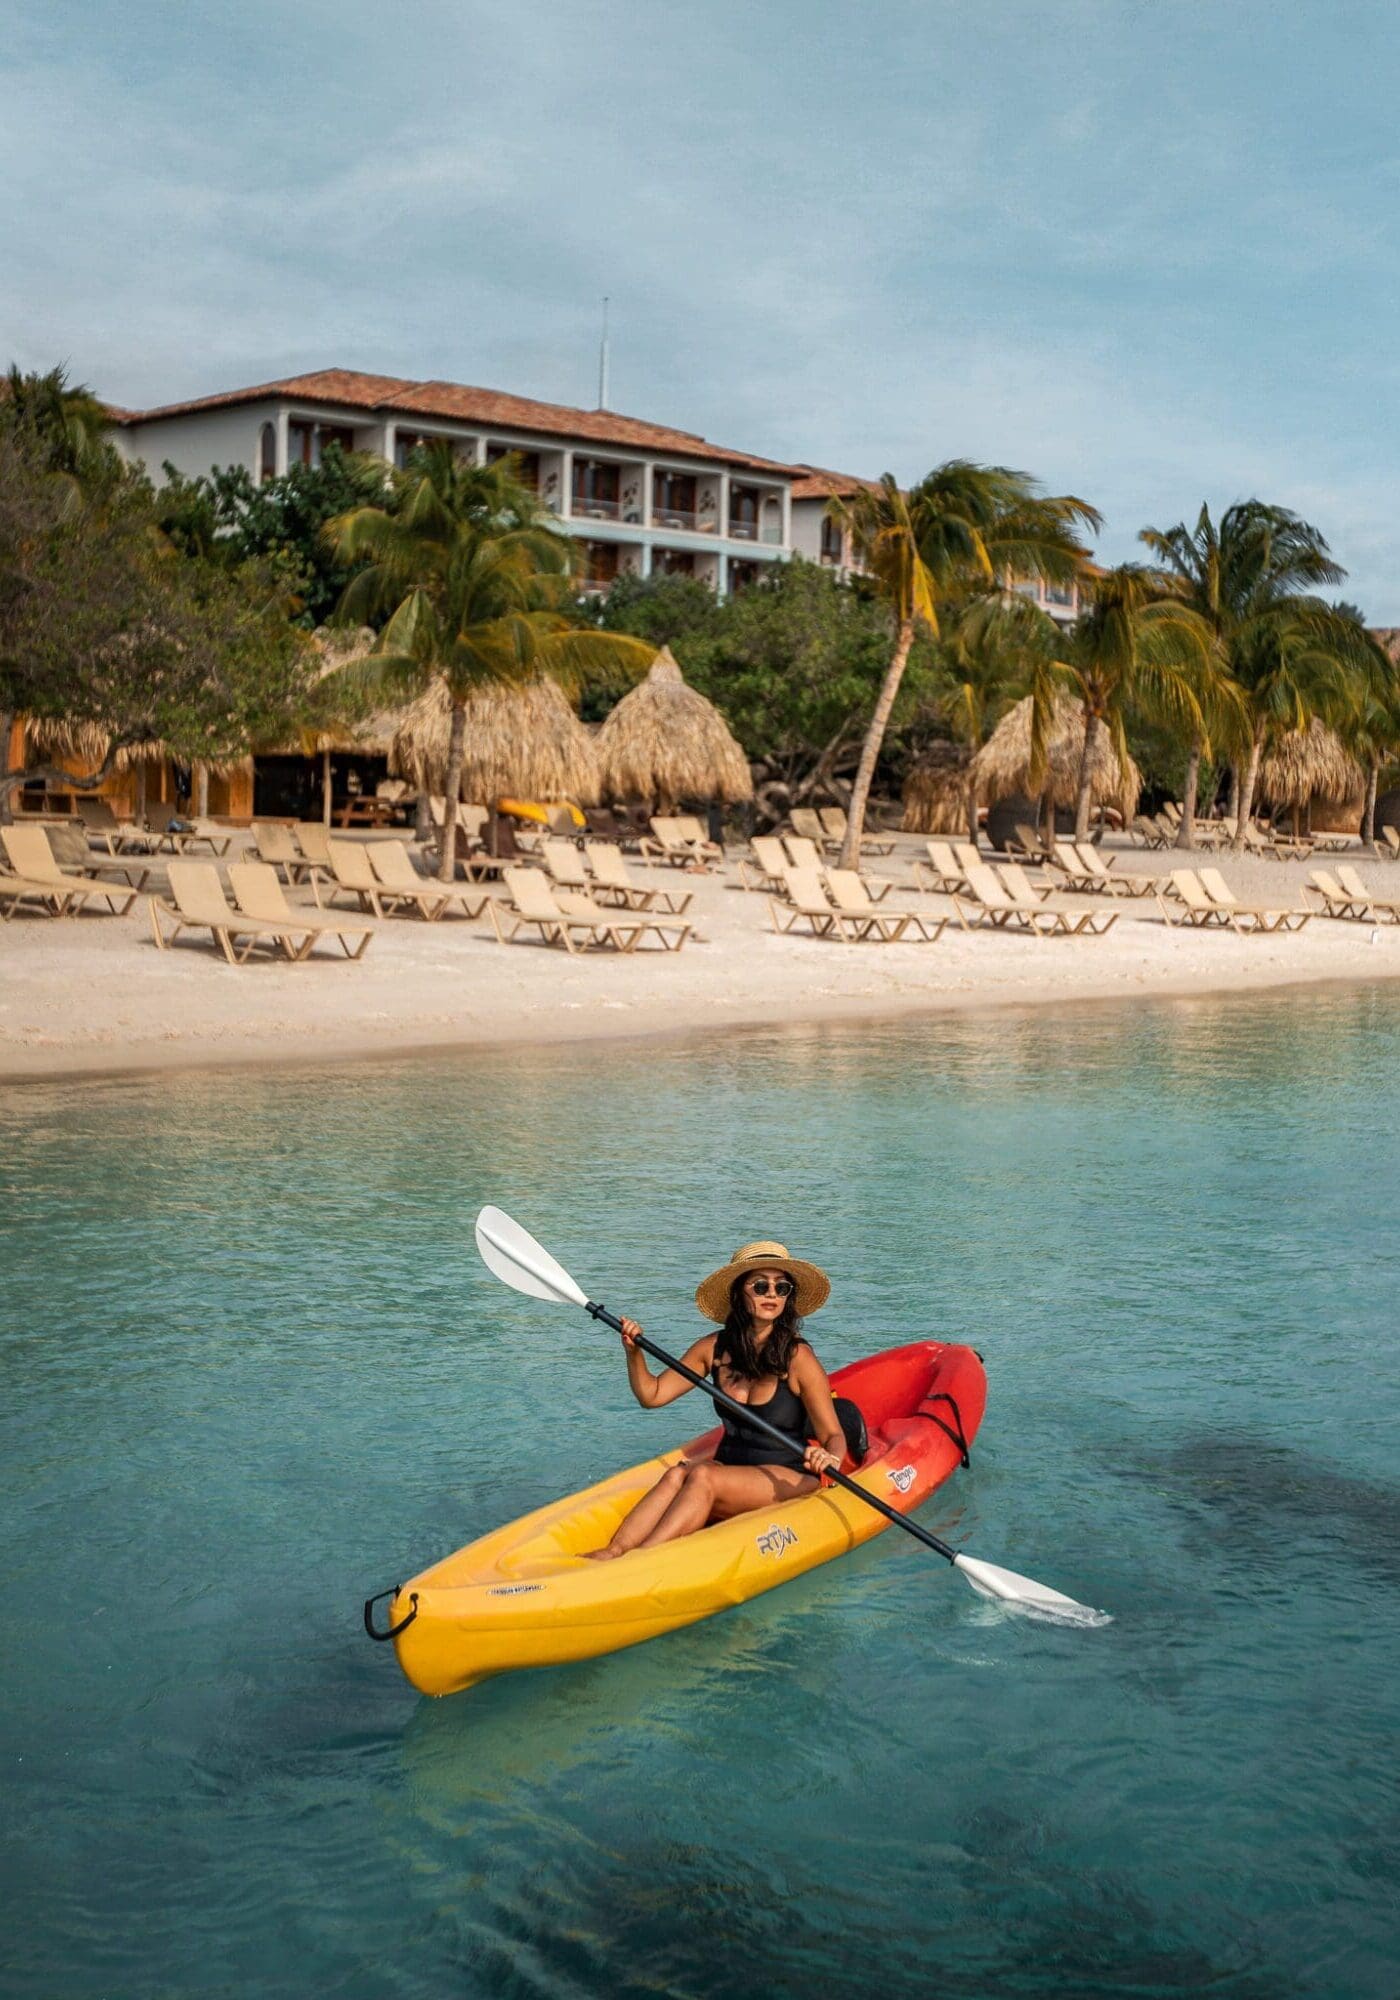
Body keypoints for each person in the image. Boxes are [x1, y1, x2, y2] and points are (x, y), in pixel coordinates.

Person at [585, 1240, 848, 1559]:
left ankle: (642, 1559)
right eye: (761, 1285)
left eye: (783, 1288)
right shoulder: (713, 1349)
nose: (772, 1295)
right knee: (676, 1474)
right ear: (739, 1293)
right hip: (730, 1468)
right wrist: (634, 1353)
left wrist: (830, 1458)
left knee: (702, 1475)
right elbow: (652, 1395)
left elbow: (833, 1436)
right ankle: (615, 1551)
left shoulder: (798, 1357)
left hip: (786, 1476)